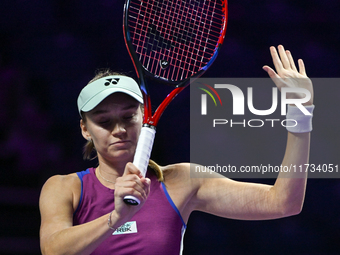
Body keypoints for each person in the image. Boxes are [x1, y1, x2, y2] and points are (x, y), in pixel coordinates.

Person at [39, 45, 314, 255]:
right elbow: (53, 250)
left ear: (143, 116)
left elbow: (283, 202)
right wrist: (117, 217)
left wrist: (301, 114)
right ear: (85, 129)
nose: (119, 129)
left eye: (128, 117)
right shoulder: (64, 188)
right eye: (104, 122)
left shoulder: (182, 181)